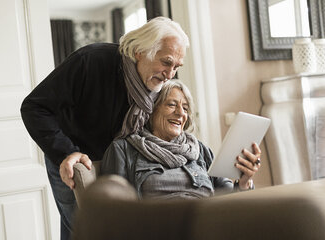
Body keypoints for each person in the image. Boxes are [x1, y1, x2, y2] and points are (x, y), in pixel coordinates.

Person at [20, 17, 189, 239]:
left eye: (176, 67)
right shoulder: (90, 60)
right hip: (76, 158)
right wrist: (66, 152)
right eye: (166, 62)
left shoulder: (156, 83)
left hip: (119, 161)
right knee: (85, 230)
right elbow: (34, 107)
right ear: (139, 51)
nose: (170, 75)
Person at [101, 80, 261, 199]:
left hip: (208, 223)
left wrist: (245, 181)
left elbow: (229, 200)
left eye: (185, 108)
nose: (180, 113)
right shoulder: (124, 149)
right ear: (151, 110)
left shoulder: (199, 150)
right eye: (171, 105)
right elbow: (114, 209)